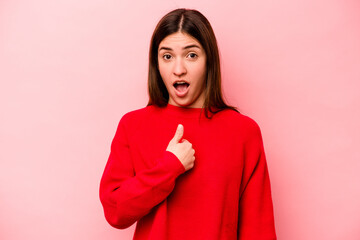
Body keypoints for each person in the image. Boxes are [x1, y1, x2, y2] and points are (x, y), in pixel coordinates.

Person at [99, 8, 277, 240]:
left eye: (191, 55)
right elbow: (115, 211)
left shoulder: (243, 132)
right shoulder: (133, 125)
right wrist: (169, 167)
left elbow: (259, 230)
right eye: (167, 56)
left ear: (208, 61)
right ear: (157, 63)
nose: (179, 69)